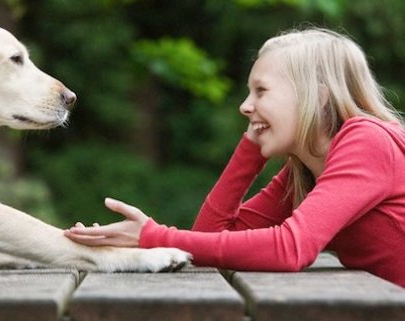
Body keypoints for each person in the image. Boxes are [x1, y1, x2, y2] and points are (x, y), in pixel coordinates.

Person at [64, 27, 405, 287]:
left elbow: (291, 248)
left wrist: (152, 236)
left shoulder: (367, 141)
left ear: (316, 94)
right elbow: (210, 237)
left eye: (261, 91)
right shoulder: (304, 171)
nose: (245, 105)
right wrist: (251, 149)